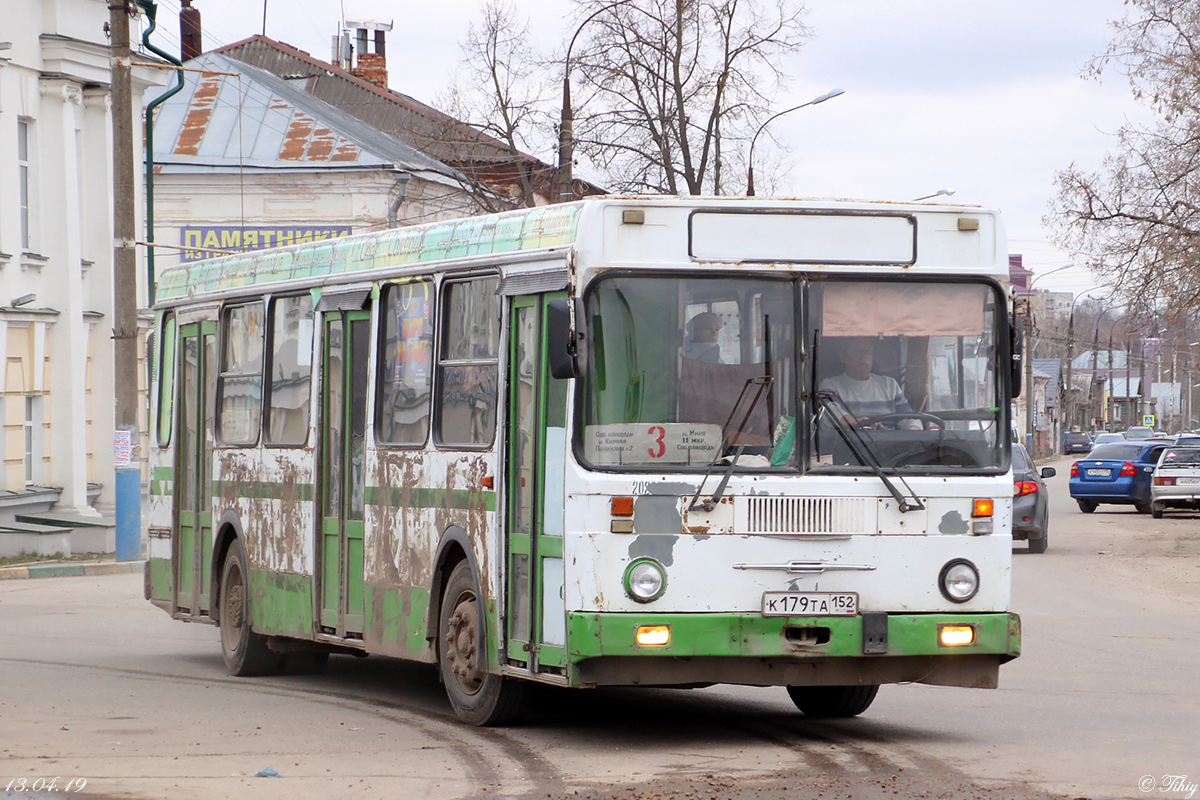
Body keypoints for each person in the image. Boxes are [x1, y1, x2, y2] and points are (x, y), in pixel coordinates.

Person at [819, 337, 921, 430]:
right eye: (857, 351)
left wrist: (913, 429)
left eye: (868, 351)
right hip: (850, 447)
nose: (864, 355)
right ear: (843, 357)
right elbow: (832, 414)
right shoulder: (830, 386)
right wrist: (860, 423)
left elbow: (908, 417)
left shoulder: (889, 385)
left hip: (893, 448)